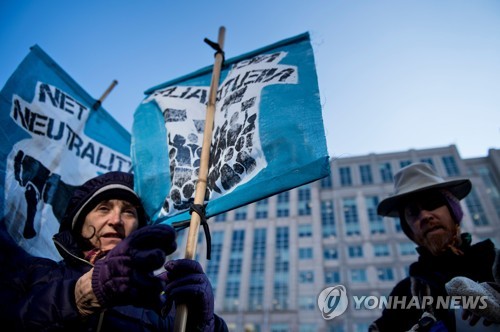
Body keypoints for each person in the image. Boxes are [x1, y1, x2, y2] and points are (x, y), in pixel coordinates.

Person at [1, 171, 228, 331]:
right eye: (103, 208)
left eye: (129, 212)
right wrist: (84, 295)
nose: (116, 220)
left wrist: (202, 324)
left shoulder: (162, 308)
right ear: (79, 224)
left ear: (140, 227)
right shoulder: (33, 274)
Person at [369, 162, 499, 331]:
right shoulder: (403, 294)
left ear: (453, 212)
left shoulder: (495, 262)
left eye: (432, 204)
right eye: (413, 213)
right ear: (409, 230)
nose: (424, 216)